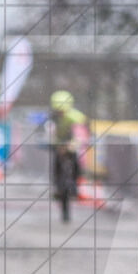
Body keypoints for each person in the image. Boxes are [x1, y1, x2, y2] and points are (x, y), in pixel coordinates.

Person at [49, 90, 88, 220]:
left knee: (77, 163)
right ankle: (57, 186)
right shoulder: (53, 117)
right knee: (56, 164)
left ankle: (76, 183)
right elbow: (50, 132)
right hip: (59, 146)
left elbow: (81, 135)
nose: (60, 113)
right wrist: (52, 142)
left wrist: (73, 145)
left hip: (72, 146)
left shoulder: (77, 117)